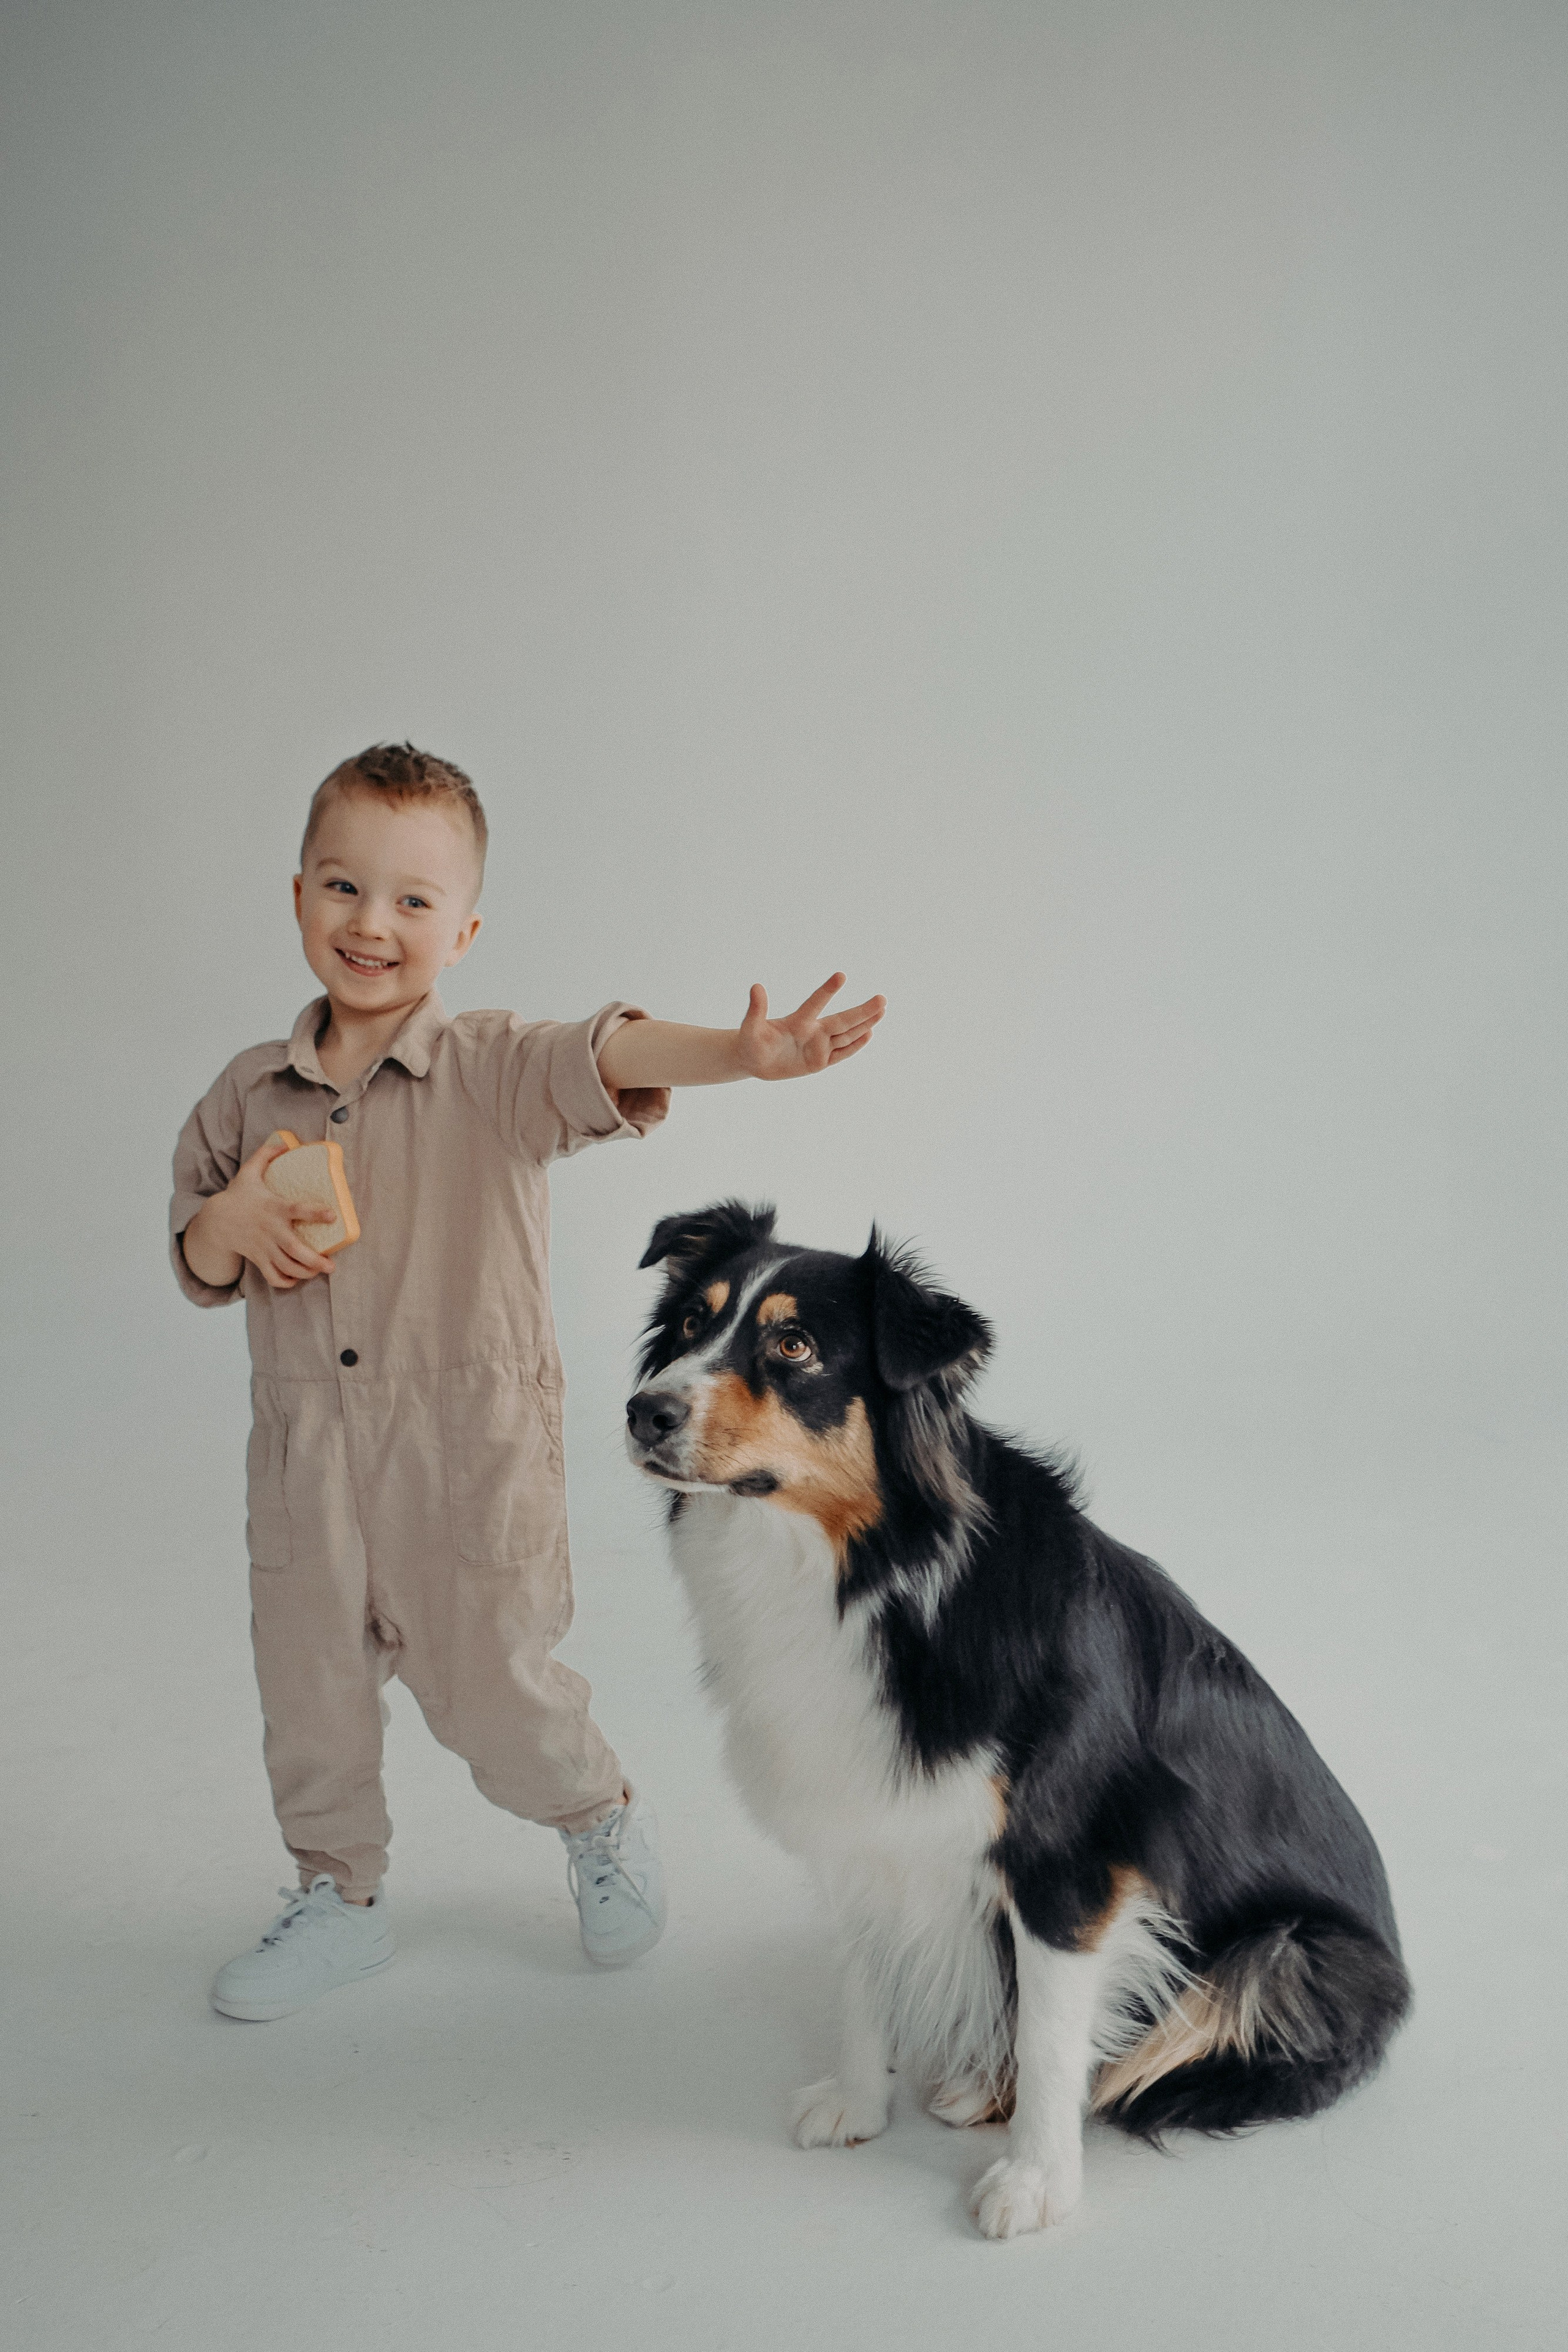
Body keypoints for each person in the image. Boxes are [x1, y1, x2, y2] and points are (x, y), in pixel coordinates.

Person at [170, 742, 884, 2021]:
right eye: (341, 888)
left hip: (467, 1457)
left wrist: (739, 1048)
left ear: (463, 928)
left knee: (500, 1688)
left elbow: (607, 1053)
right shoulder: (245, 1094)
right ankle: (337, 1894)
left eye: (411, 900)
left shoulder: (492, 1070)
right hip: (306, 1467)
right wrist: (229, 1220)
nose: (370, 924)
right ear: (295, 899)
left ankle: (594, 1815)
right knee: (310, 1701)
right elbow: (197, 1250)